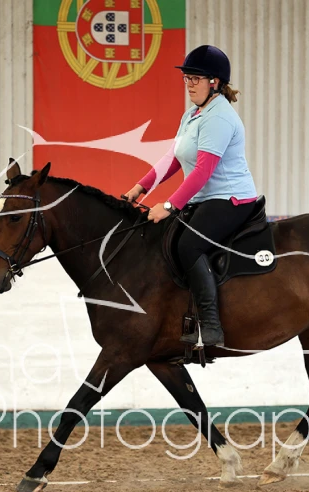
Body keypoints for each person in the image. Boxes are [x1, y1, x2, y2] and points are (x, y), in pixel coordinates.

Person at [123, 45, 259, 348]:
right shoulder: (193, 115)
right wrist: (141, 187)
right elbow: (173, 158)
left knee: (188, 245)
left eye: (196, 78)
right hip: (204, 199)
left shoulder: (219, 117)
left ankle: (210, 325)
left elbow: (202, 171)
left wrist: (169, 205)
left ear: (214, 82)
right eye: (187, 78)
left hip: (230, 199)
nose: (189, 84)